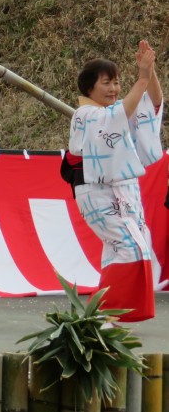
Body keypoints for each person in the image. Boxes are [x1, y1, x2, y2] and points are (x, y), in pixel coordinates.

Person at [61, 41, 163, 322]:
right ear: (89, 87)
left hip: (123, 190)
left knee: (123, 247)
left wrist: (149, 73)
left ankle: (110, 315)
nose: (114, 89)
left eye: (117, 83)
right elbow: (116, 117)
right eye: (107, 83)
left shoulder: (117, 110)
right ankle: (102, 314)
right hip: (96, 191)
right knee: (129, 246)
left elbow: (151, 106)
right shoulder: (85, 115)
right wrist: (140, 79)